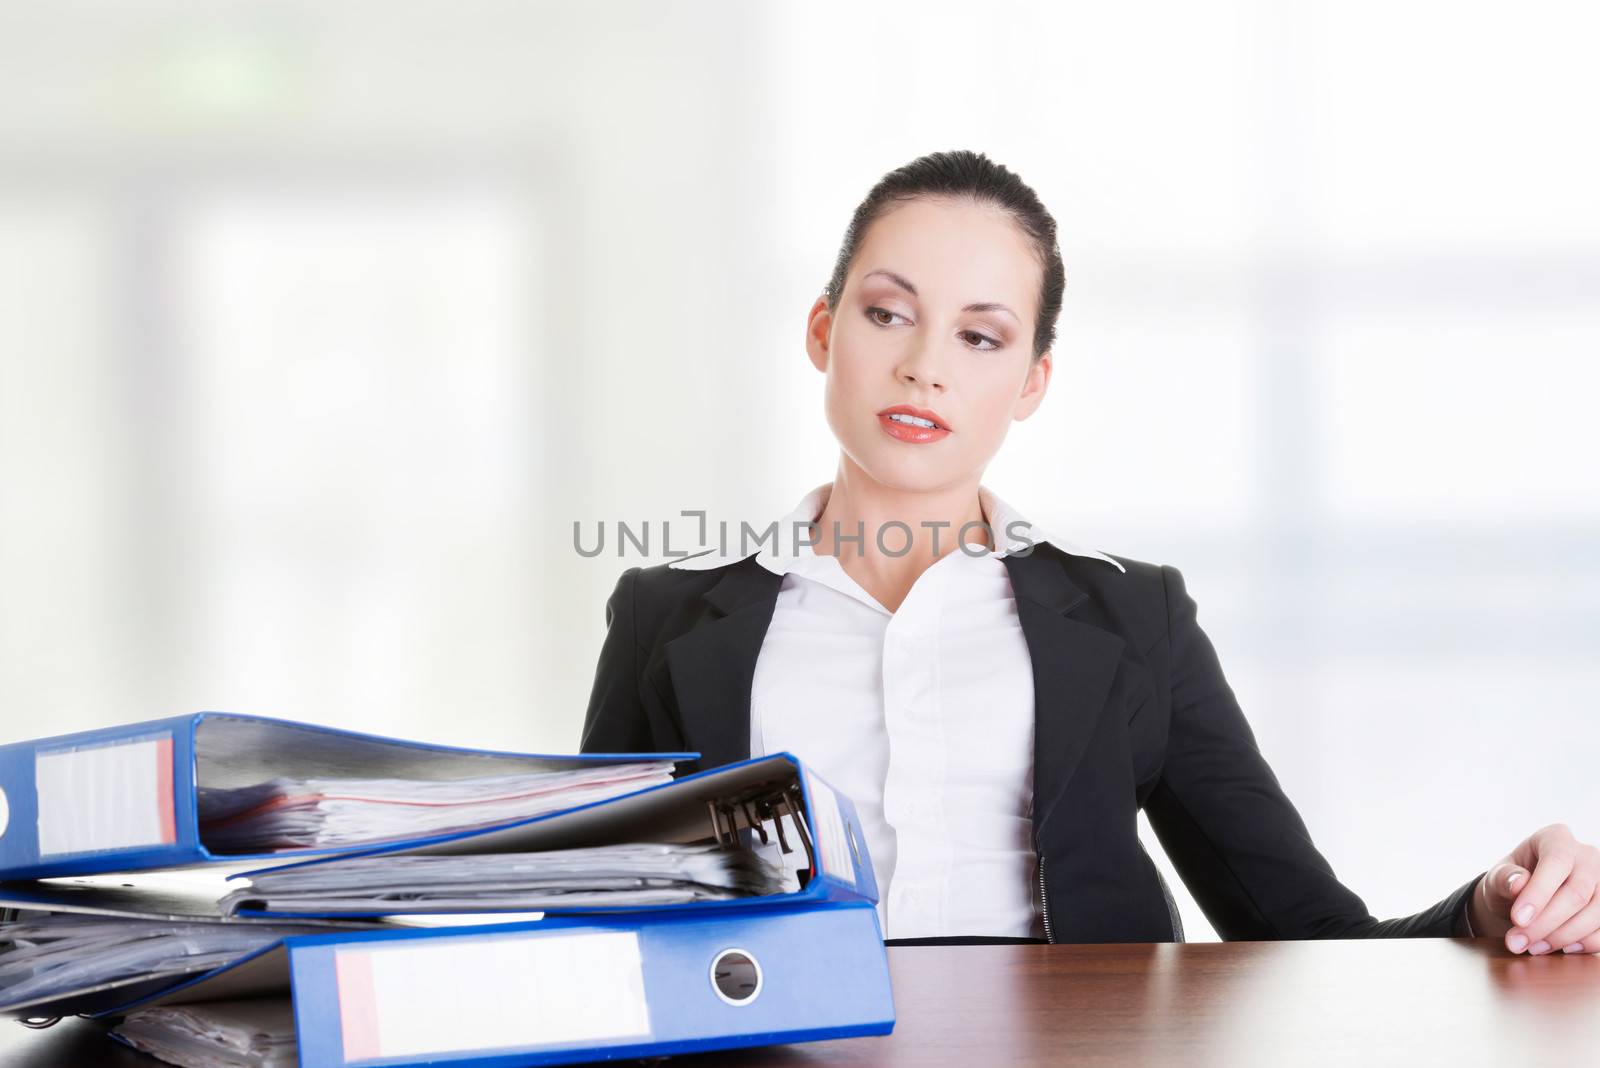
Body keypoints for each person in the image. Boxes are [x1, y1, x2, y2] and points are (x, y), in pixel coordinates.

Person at [579, 149, 1598, 951]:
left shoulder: (1131, 619)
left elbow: (1305, 936)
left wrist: (1496, 903)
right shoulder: (668, 615)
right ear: (822, 331)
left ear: (1030, 382)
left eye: (980, 337)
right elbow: (593, 923)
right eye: (887, 313)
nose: (924, 366)